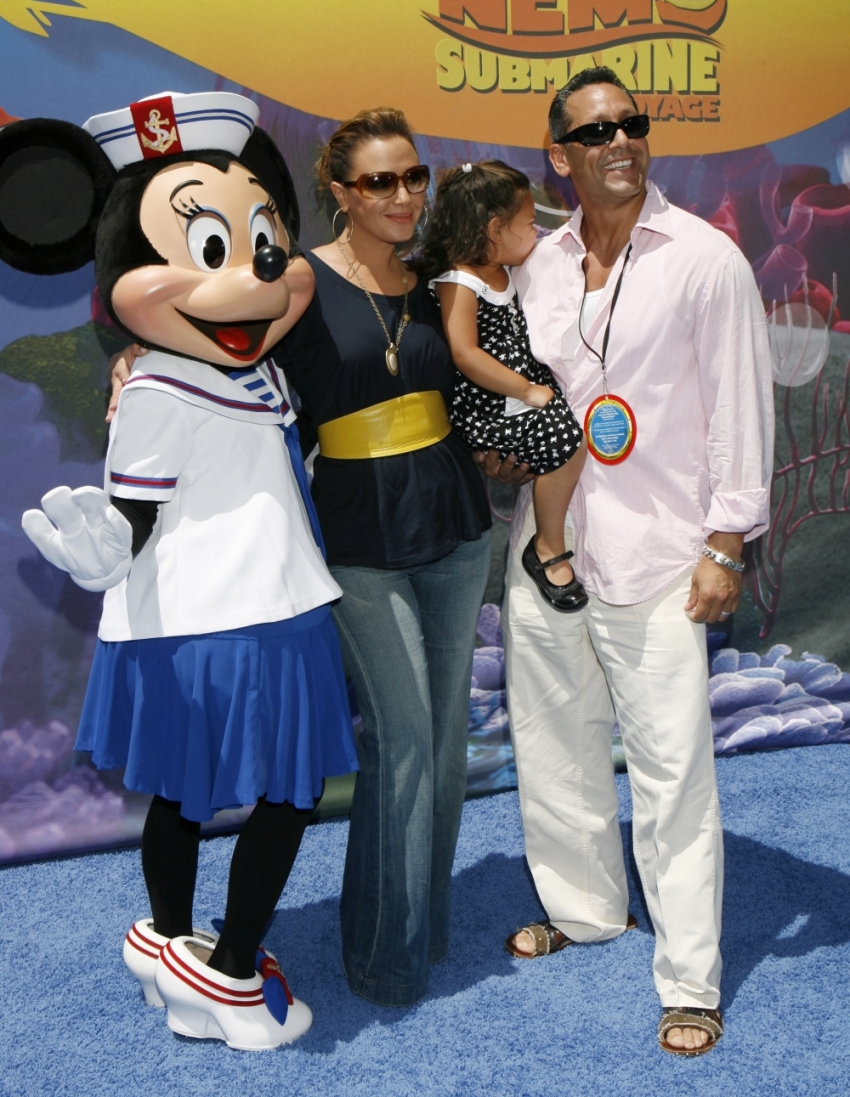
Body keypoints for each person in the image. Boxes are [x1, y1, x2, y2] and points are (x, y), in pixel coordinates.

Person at [3, 93, 360, 1050]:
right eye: (209, 250)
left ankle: (181, 941)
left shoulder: (260, 373)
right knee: (234, 794)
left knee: (245, 794)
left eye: (262, 249)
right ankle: (221, 967)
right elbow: (136, 511)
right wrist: (106, 549)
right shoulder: (157, 383)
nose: (248, 283)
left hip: (279, 605)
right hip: (207, 623)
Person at [113, 108, 493, 1007]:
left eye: (414, 178)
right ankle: (382, 957)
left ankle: (424, 927)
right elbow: (209, 341)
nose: (402, 196)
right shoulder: (298, 283)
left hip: (458, 525)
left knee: (442, 741)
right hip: (357, 538)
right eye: (379, 181)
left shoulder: (445, 281)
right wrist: (134, 356)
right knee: (399, 742)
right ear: (340, 193)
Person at [492, 67, 774, 1057]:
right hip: (553, 550)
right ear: (559, 157)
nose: (619, 141)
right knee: (555, 748)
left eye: (632, 124)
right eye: (595, 130)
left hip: (666, 558)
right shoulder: (535, 261)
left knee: (673, 777)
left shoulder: (706, 259)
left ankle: (690, 978)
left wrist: (726, 542)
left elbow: (743, 407)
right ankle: (582, 910)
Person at [417, 160, 587, 612]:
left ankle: (548, 539)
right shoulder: (460, 279)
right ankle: (547, 545)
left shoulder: (506, 271)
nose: (536, 232)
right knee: (567, 440)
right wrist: (526, 391)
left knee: (565, 438)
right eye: (529, 223)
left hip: (514, 398)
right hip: (488, 407)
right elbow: (465, 353)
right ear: (495, 229)